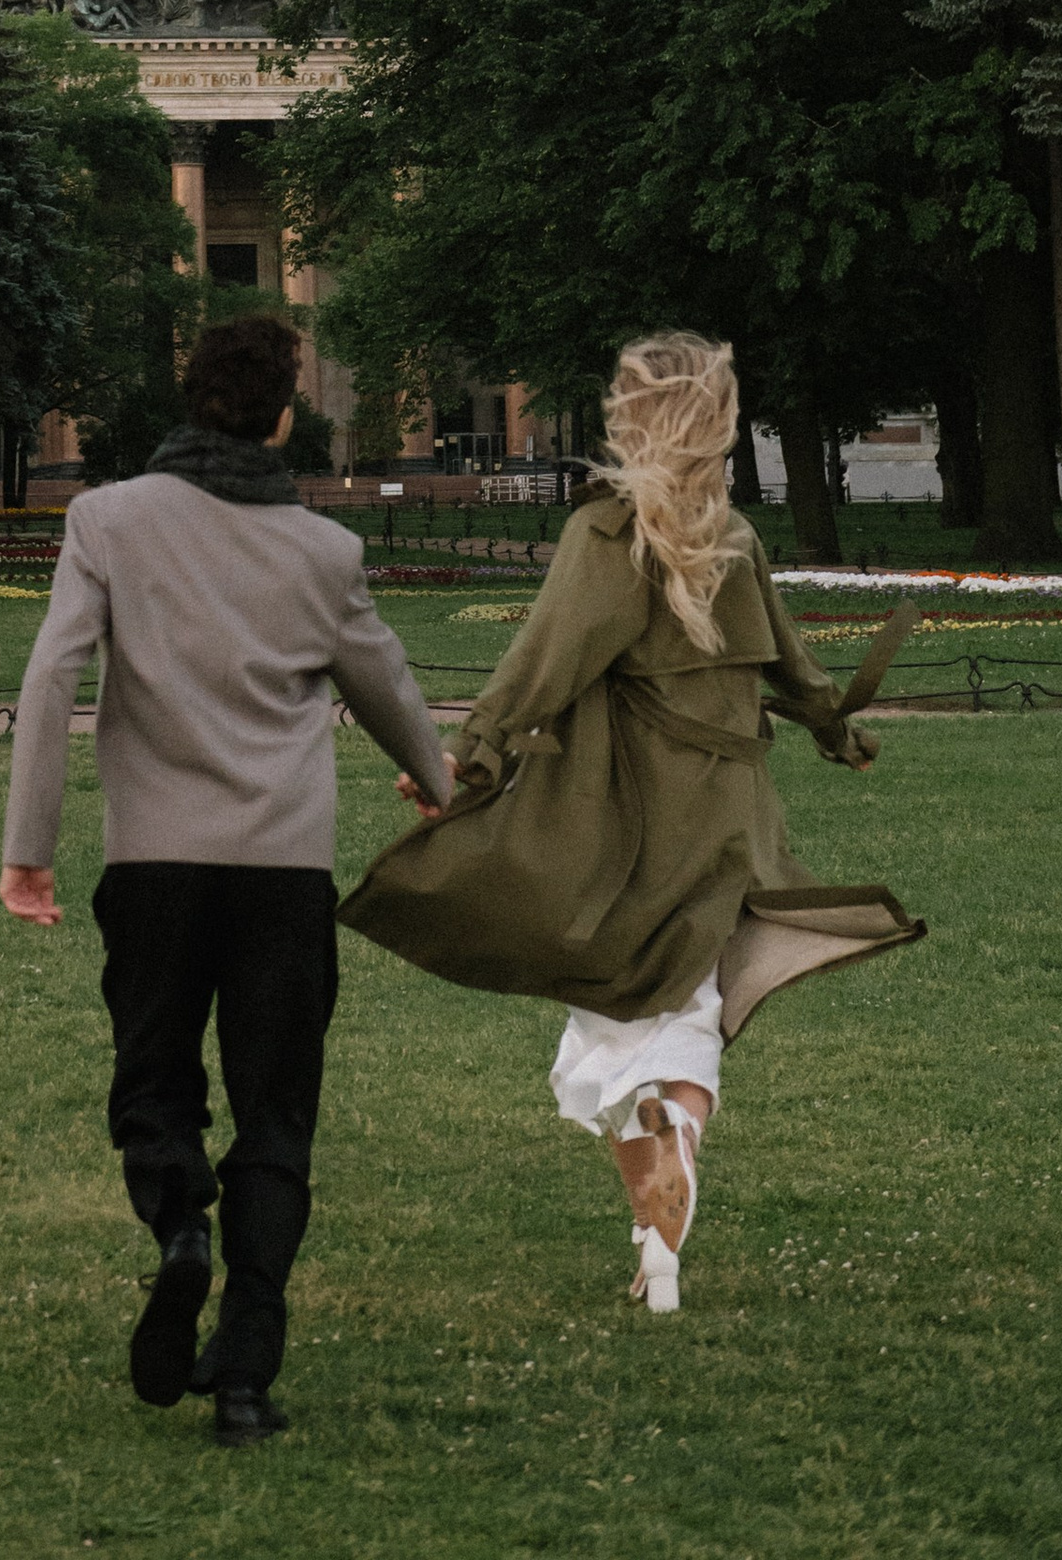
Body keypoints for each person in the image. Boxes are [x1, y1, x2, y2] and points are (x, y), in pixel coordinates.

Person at [345, 330, 923, 1315]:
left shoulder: (607, 537)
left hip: (620, 815)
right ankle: (659, 1222)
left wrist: (469, 753)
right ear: (719, 425)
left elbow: (544, 659)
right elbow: (787, 663)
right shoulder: (732, 536)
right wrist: (835, 727)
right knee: (684, 999)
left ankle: (664, 1156)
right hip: (725, 813)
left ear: (626, 420)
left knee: (612, 1000)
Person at [0, 309, 454, 1443]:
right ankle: (245, 1370)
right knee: (275, 1112)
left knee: (154, 1083)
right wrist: (439, 781)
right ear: (283, 417)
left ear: (188, 395)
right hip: (282, 874)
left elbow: (53, 677)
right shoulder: (323, 549)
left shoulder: (105, 518)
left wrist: (28, 845)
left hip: (151, 862)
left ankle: (178, 1228)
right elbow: (386, 682)